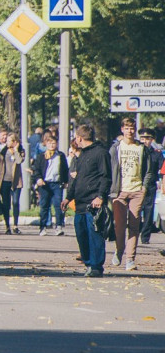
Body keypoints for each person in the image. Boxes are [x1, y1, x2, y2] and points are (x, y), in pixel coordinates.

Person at [67, 124, 111, 277]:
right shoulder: (82, 155)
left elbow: (106, 177)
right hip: (79, 202)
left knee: (95, 235)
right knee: (82, 235)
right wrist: (68, 197)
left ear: (79, 138)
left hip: (93, 202)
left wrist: (101, 196)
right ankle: (88, 264)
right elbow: (78, 178)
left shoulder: (101, 153)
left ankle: (96, 266)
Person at [109, 116, 150, 272]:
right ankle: (119, 250)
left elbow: (149, 170)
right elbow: (110, 168)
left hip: (136, 190)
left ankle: (130, 259)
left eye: (132, 128)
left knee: (134, 225)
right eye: (127, 128)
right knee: (119, 225)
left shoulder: (141, 148)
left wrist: (144, 188)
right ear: (122, 129)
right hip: (119, 191)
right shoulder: (116, 148)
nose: (130, 131)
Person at [33, 133, 68, 237]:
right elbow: (37, 170)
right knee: (44, 205)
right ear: (46, 144)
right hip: (45, 184)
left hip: (57, 183)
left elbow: (65, 169)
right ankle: (42, 227)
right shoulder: (41, 156)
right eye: (49, 143)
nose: (52, 145)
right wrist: (38, 179)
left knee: (58, 205)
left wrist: (65, 181)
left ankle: (59, 226)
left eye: (54, 143)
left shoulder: (60, 155)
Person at [0, 133, 25, 234]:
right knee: (6, 204)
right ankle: (7, 225)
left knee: (15, 202)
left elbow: (19, 161)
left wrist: (16, 150)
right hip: (4, 180)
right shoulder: (3, 151)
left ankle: (15, 225)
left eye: (10, 141)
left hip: (16, 181)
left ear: (15, 142)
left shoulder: (21, 151)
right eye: (7, 141)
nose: (7, 142)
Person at [139, 129, 161, 245]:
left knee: (148, 211)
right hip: (137, 184)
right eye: (142, 138)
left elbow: (161, 170)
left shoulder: (156, 154)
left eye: (147, 139)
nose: (145, 141)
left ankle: (145, 236)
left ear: (152, 140)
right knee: (136, 210)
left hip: (150, 185)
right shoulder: (137, 152)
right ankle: (135, 232)